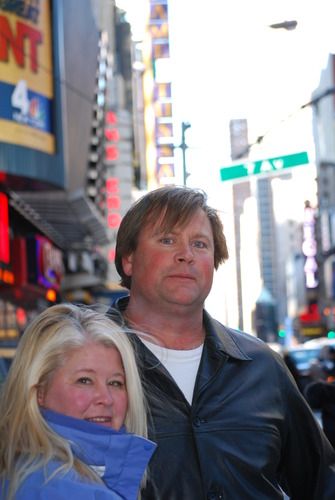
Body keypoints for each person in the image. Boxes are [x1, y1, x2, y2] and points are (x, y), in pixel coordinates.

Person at [107, 185, 335, 499]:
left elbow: (322, 482)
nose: (186, 254)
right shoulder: (88, 363)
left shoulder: (262, 367)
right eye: (167, 239)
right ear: (128, 259)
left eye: (200, 244)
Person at [0, 303, 156, 500]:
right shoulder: (59, 489)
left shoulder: (26, 473)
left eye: (116, 383)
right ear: (40, 390)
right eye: (85, 380)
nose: (106, 398)